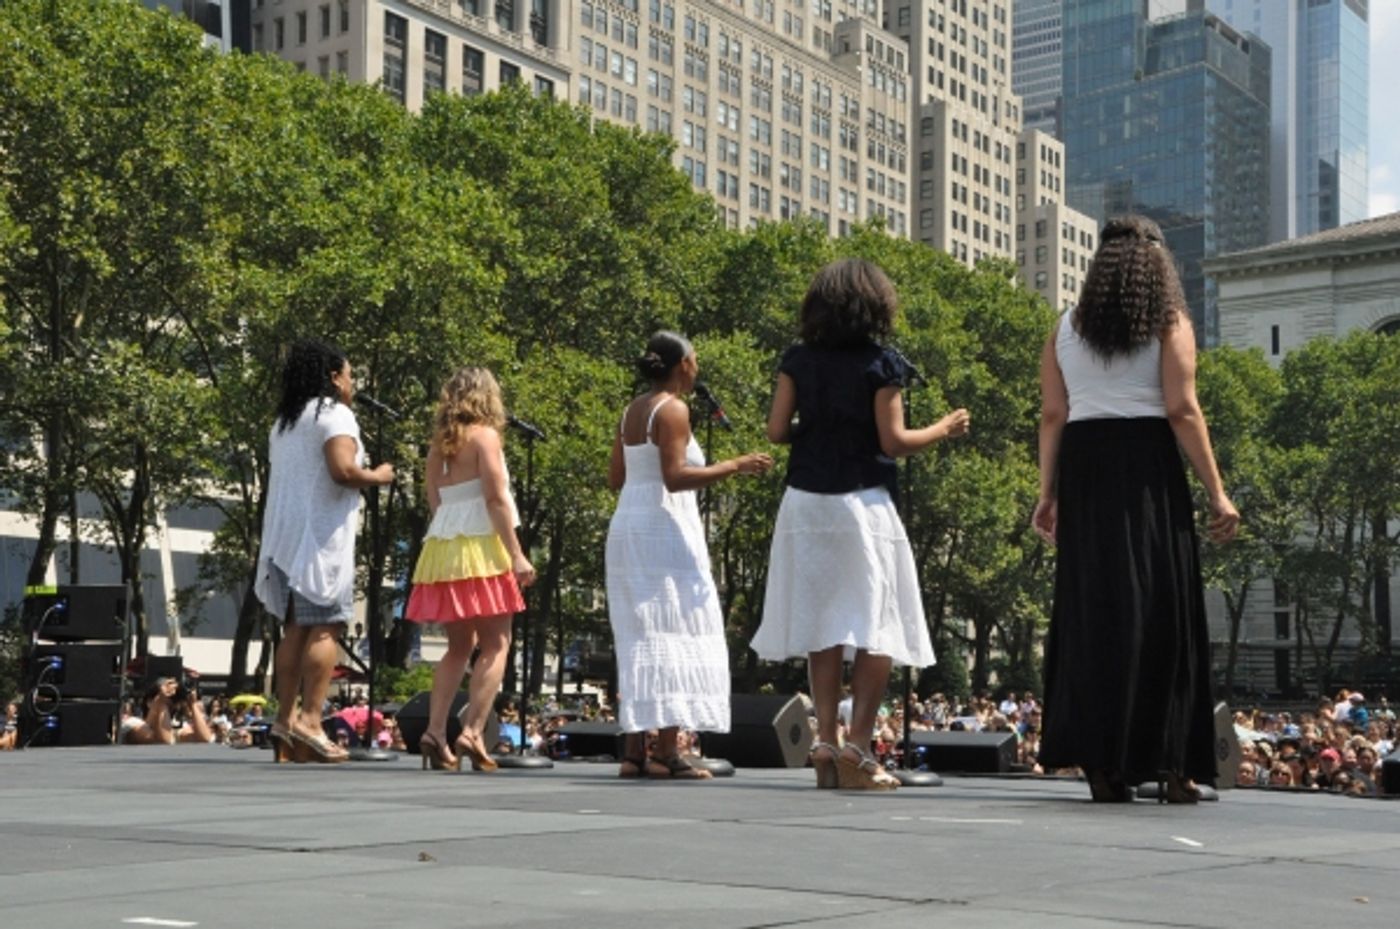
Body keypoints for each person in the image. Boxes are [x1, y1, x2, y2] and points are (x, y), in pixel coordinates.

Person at [1032, 215, 1239, 804]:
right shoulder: (1170, 321)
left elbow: (1053, 414)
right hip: (1147, 464)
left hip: (1085, 468)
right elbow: (1182, 408)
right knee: (1161, 608)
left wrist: (1047, 494)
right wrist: (1217, 492)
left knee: (1094, 612)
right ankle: (1173, 767)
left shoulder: (1064, 328)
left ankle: (1103, 767)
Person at [751, 258, 970, 790]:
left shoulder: (797, 359)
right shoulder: (882, 363)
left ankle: (825, 741)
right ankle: (859, 747)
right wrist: (943, 428)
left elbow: (776, 431)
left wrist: (818, 424)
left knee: (822, 626)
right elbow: (894, 441)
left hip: (805, 503)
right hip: (862, 504)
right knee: (879, 623)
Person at [606, 331, 773, 779]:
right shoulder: (674, 409)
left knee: (641, 633)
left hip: (630, 521)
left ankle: (634, 752)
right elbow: (676, 477)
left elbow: (615, 477)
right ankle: (666, 751)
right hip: (665, 525)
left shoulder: (631, 411)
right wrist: (735, 465)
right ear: (683, 365)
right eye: (694, 358)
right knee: (675, 627)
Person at [255, 339, 394, 764]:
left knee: (295, 628)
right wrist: (379, 475)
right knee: (325, 626)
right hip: (318, 541)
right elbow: (343, 470)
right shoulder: (334, 414)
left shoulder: (285, 422)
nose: (353, 384)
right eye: (350, 375)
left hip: (283, 539)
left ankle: (285, 720)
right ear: (334, 377)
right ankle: (312, 721)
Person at [404, 366, 535, 772]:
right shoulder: (485, 437)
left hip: (443, 547)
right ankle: (474, 731)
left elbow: (435, 503)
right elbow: (496, 499)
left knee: (457, 647)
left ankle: (434, 732)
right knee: (496, 643)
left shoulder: (438, 447)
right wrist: (516, 553)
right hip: (481, 544)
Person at [120, 678, 216, 745]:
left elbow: (205, 739)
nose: (171, 704)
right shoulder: (131, 724)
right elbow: (163, 741)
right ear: (149, 702)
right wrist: (161, 703)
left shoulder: (176, 726)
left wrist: (192, 704)